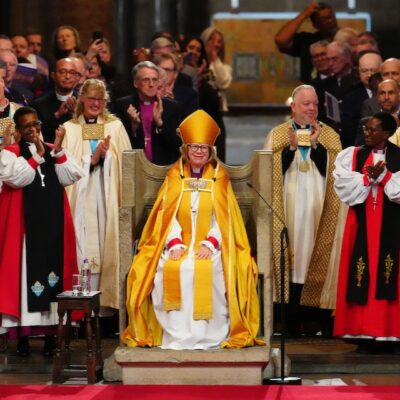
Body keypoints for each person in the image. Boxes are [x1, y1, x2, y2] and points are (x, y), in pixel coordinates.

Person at [122, 109, 263, 349]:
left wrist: (210, 243)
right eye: (194, 147)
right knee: (173, 266)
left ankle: (211, 334)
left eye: (204, 148)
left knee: (212, 267)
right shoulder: (174, 177)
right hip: (178, 242)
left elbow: (226, 218)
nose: (199, 151)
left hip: (212, 244)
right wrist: (175, 243)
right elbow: (165, 215)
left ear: (211, 151)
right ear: (185, 149)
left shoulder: (220, 178)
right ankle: (176, 334)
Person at [0, 106, 85, 356]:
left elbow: (72, 175)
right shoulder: (9, 153)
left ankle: (51, 337)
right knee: (27, 276)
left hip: (53, 225)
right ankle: (23, 339)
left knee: (54, 276)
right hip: (27, 227)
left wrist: (56, 151)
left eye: (36, 124)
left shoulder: (52, 148)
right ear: (17, 130)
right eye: (27, 127)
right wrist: (37, 156)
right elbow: (16, 179)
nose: (33, 130)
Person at [264, 84, 343, 336]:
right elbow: (268, 172)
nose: (311, 108)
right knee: (291, 256)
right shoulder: (277, 135)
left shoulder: (329, 135)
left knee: (314, 256)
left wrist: (318, 147)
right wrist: (288, 149)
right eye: (306, 104)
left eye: (315, 104)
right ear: (293, 107)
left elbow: (336, 174)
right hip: (288, 208)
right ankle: (287, 322)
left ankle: (314, 320)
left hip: (318, 211)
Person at [62, 78, 132, 312]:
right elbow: (64, 167)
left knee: (106, 246)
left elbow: (125, 164)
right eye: (91, 98)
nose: (95, 104)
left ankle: (107, 308)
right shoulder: (70, 129)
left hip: (106, 197)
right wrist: (90, 161)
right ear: (82, 98)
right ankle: (80, 310)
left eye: (100, 100)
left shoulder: (115, 127)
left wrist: (107, 158)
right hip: (80, 200)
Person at [333, 111, 400, 353]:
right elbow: (342, 185)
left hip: (391, 225)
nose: (367, 133)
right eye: (366, 129)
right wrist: (365, 180)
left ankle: (389, 333)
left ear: (387, 133)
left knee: (389, 272)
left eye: (373, 130)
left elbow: (397, 191)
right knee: (361, 272)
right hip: (361, 224)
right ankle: (362, 332)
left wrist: (383, 176)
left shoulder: (398, 156)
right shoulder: (353, 155)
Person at [114, 61, 182, 165]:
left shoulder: (171, 107)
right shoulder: (123, 105)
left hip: (163, 169)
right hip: (134, 166)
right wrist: (134, 128)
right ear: (136, 83)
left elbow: (177, 144)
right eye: (146, 80)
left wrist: (160, 123)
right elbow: (118, 143)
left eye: (154, 80)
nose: (151, 84)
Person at [275, 2, 338, 83]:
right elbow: (281, 40)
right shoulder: (307, 41)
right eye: (323, 19)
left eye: (331, 17)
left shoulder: (345, 39)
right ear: (315, 24)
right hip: (311, 91)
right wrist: (304, 14)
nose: (330, 21)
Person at [32, 57, 79, 142]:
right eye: (62, 72)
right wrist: (57, 115)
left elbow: (94, 133)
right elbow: (35, 135)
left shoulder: (87, 102)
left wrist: (77, 114)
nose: (67, 76)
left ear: (77, 77)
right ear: (53, 76)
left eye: (72, 73)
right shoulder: (39, 104)